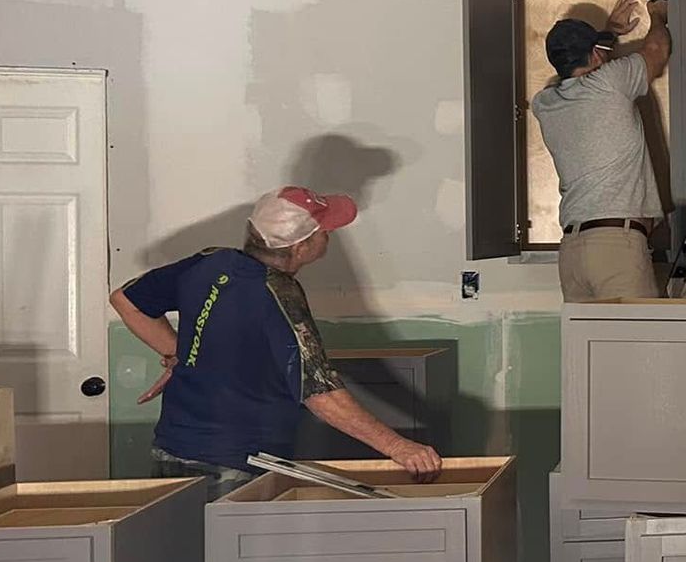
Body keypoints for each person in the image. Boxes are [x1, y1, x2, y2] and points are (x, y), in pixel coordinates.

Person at [109, 186, 444, 497]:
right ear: (301, 247)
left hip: (171, 449)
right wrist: (398, 447)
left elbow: (126, 299)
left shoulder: (210, 262)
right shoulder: (279, 293)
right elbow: (319, 393)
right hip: (235, 465)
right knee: (233, 556)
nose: (328, 235)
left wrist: (179, 353)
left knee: (174, 554)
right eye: (323, 231)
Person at [532, 0, 672, 302]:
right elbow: (656, 53)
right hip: (615, 246)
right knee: (637, 345)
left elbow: (591, 68)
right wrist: (658, 16)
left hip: (572, 250)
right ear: (596, 54)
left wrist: (609, 33)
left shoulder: (545, 103)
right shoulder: (609, 83)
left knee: (591, 347)